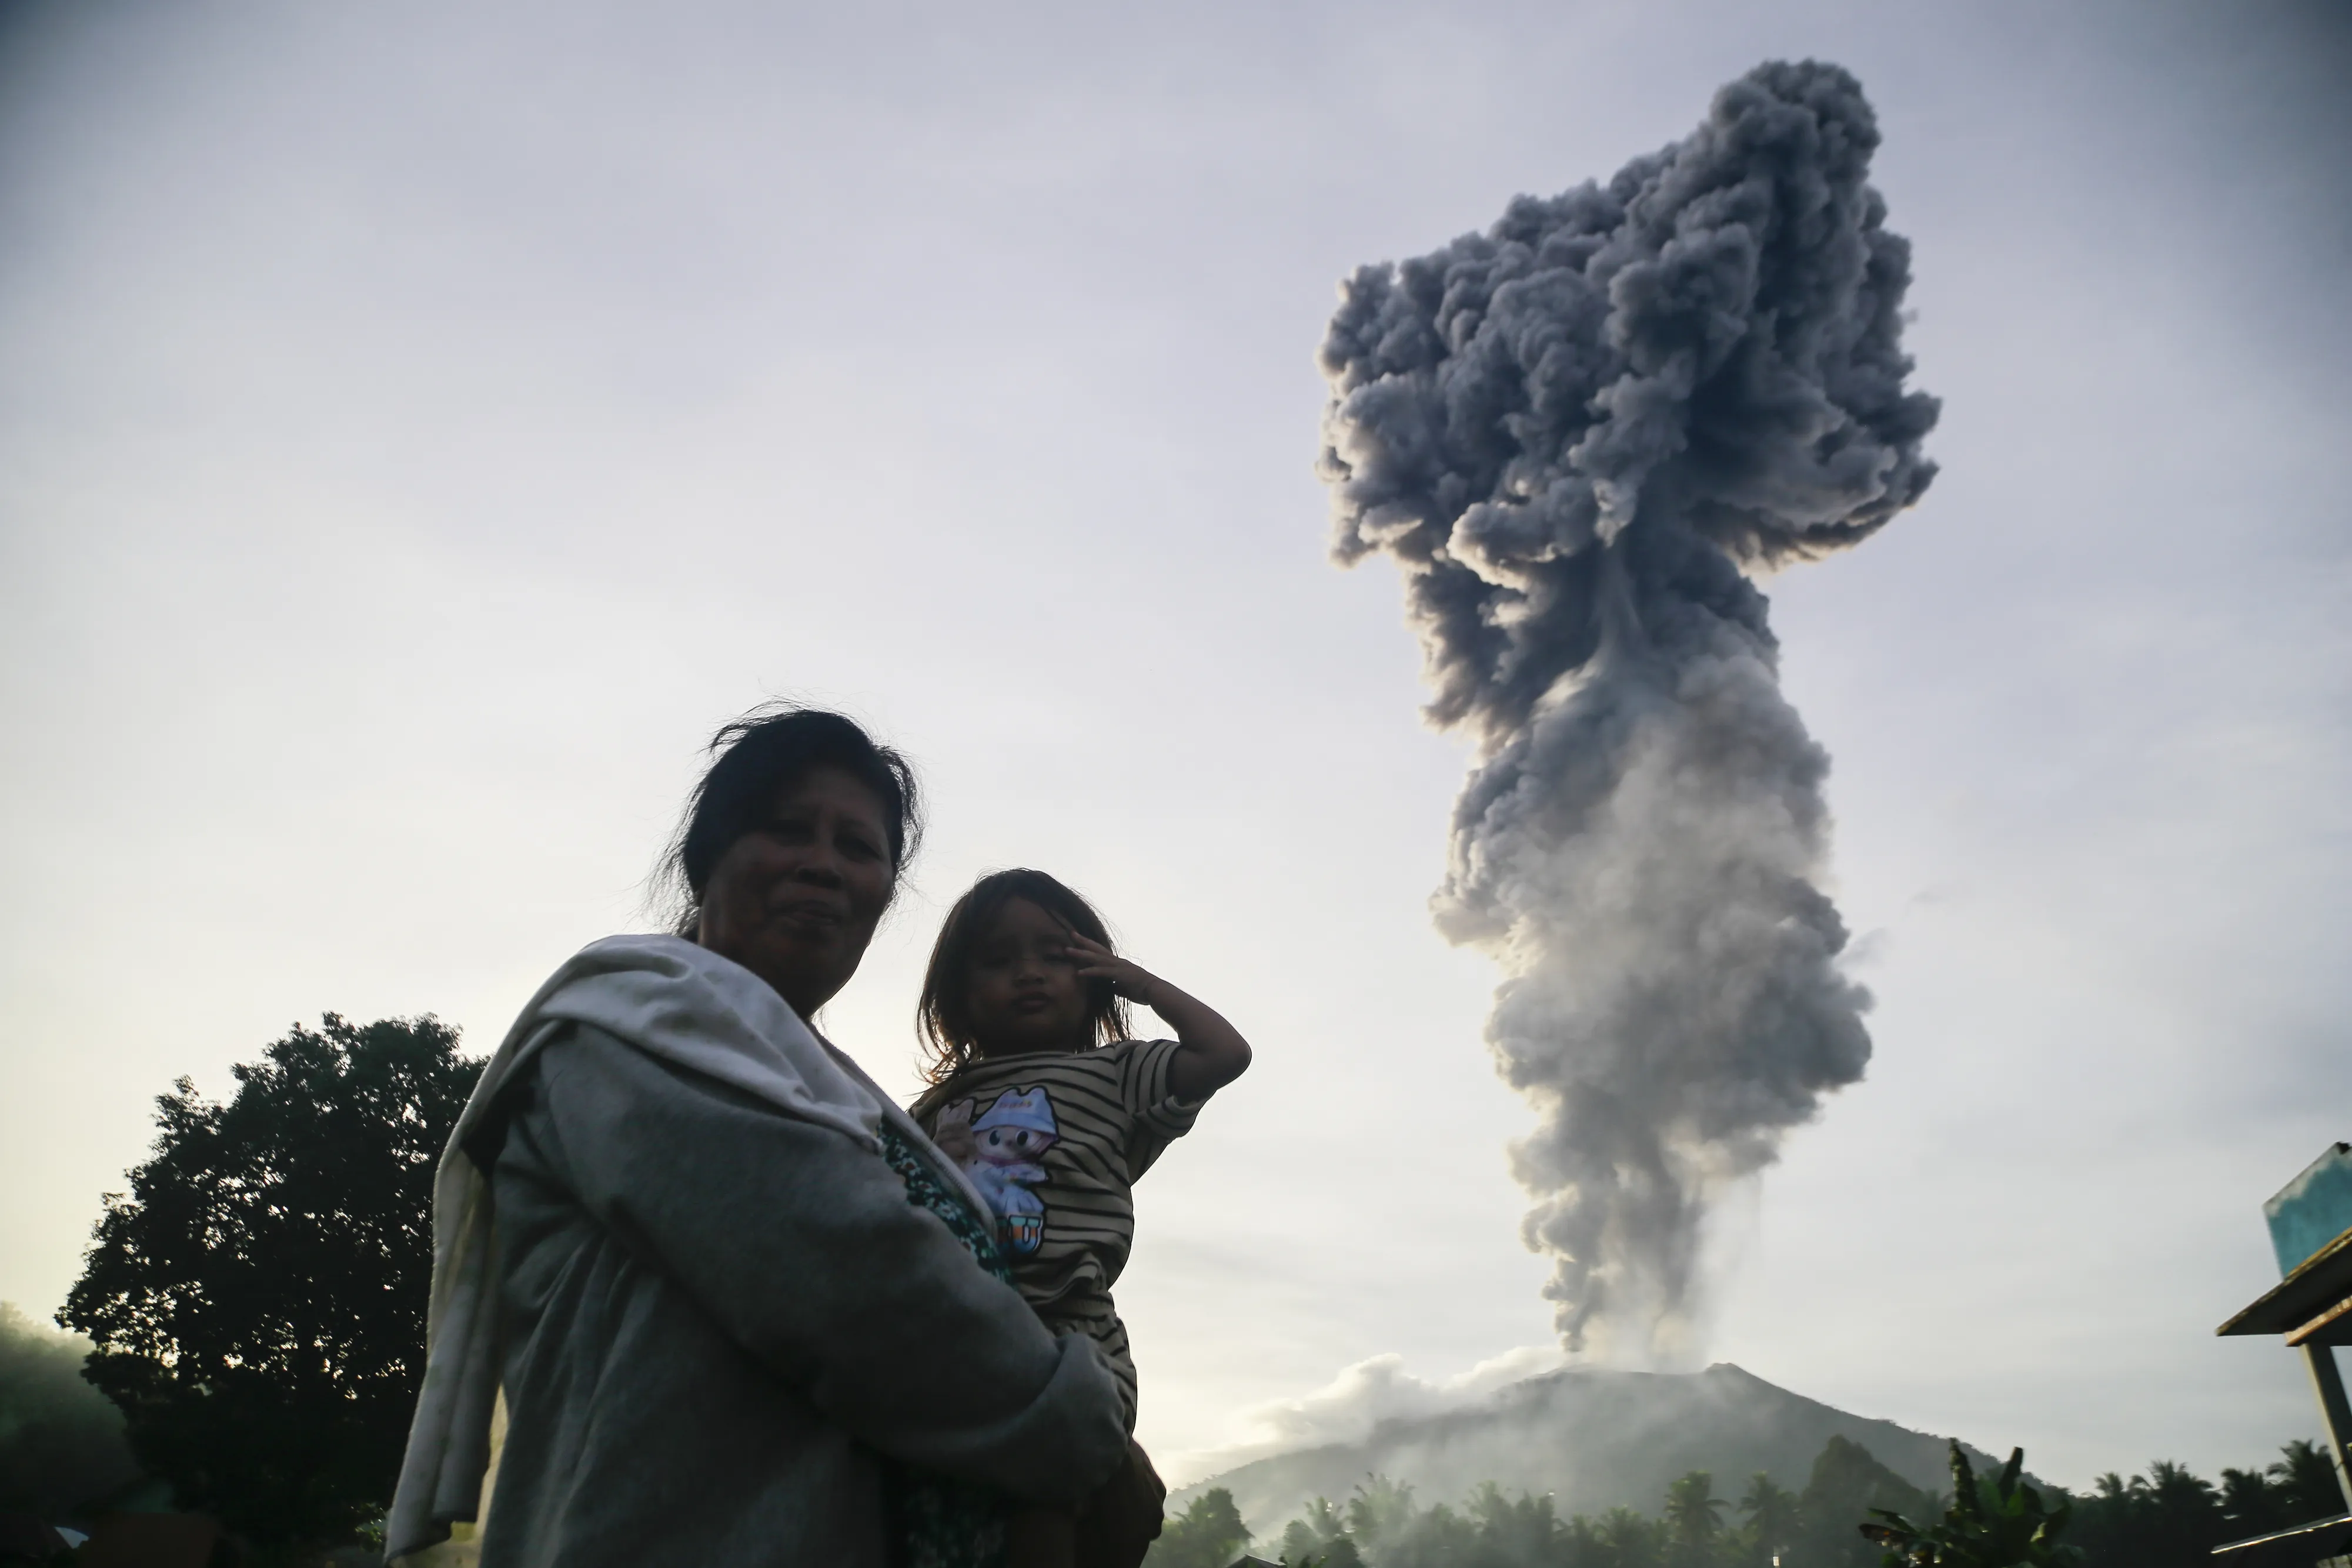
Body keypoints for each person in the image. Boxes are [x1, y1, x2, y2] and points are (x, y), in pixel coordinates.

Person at [386, 707, 1157, 1568]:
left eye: (859, 848)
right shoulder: (629, 1027)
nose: (823, 864)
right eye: (788, 829)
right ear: (707, 856)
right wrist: (1089, 1441)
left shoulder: (853, 1095)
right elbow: (853, 1276)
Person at [911, 870, 1254, 1568]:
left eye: (1054, 957)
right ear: (958, 997)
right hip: (955, 1335)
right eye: (1000, 960)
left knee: (1046, 1490)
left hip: (1070, 1338)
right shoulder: (932, 1107)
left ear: (1092, 978)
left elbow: (1225, 1054)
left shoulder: (1116, 1074)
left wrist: (1141, 983)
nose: (1029, 974)